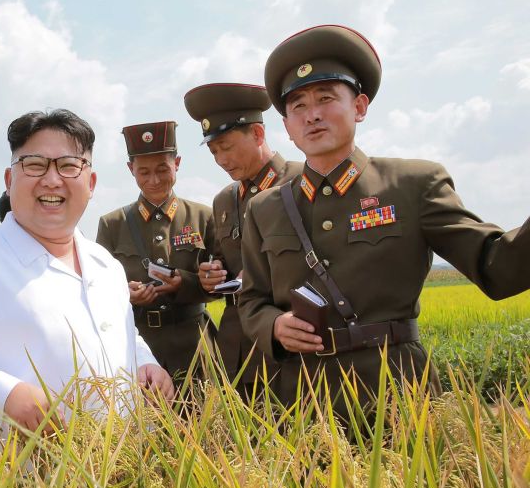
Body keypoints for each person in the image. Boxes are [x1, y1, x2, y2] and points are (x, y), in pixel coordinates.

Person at [239, 25, 530, 412]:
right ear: (288, 128)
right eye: (298, 107)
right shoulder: (265, 208)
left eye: (326, 98)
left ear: (359, 106)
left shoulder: (413, 184)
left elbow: (495, 265)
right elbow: (251, 300)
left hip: (400, 393)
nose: (312, 116)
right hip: (304, 402)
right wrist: (273, 326)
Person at [0, 109, 174, 443]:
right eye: (34, 164)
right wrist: (5, 396)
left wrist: (145, 365)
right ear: (9, 179)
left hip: (122, 468)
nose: (52, 180)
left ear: (90, 183)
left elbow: (122, 334)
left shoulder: (105, 264)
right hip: (22, 477)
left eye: (68, 166)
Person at [183, 83, 302, 396]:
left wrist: (268, 276)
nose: (221, 159)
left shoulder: (301, 182)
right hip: (239, 351)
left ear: (258, 135)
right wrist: (212, 275)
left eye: (227, 146)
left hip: (291, 344)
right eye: (214, 152)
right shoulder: (225, 200)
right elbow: (223, 256)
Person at [96, 121, 218, 384]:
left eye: (163, 169)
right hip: (139, 350)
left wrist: (183, 283)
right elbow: (98, 290)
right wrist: (126, 295)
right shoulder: (111, 224)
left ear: (177, 163)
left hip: (195, 347)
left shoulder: (204, 217)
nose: (154, 180)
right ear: (131, 170)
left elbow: (223, 282)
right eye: (144, 172)